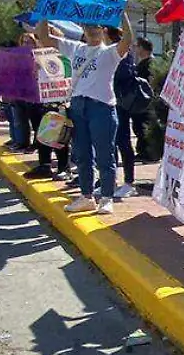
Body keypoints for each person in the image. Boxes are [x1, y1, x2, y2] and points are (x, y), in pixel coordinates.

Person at [36, 15, 131, 214]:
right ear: (83, 30)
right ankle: (86, 196)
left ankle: (106, 197)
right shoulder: (75, 48)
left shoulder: (110, 53)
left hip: (102, 108)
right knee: (82, 155)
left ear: (104, 30)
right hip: (78, 106)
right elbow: (44, 37)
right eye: (89, 26)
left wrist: (122, 14)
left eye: (97, 26)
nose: (93, 29)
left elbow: (127, 41)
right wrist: (44, 13)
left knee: (105, 155)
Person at [113, 38, 156, 197]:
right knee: (116, 142)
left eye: (137, 46)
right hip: (119, 104)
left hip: (128, 105)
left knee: (126, 140)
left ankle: (128, 180)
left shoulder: (127, 60)